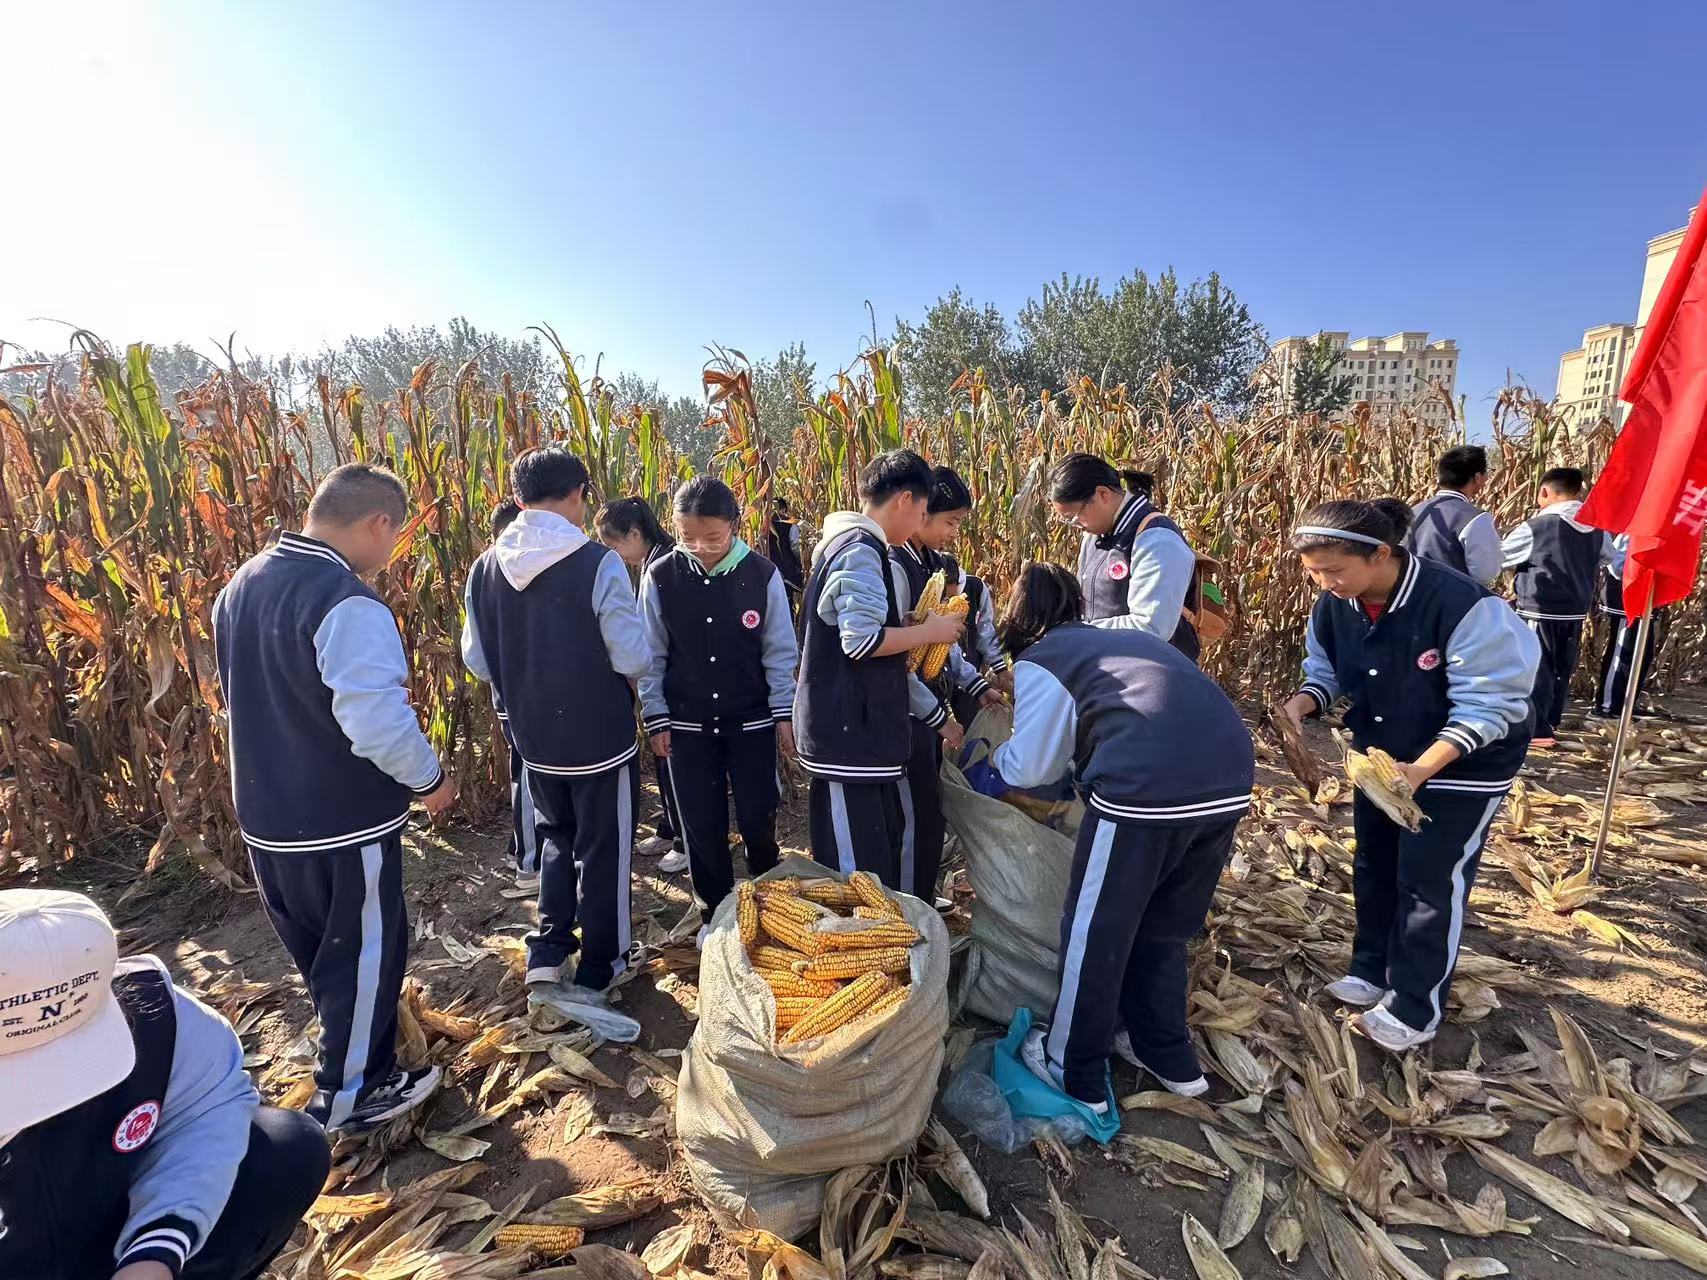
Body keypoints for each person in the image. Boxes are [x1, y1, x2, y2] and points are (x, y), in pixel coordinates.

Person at [213, 462, 452, 1133]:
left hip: (267, 817)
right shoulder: (346, 601)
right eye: (395, 535)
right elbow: (375, 719)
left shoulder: (242, 582)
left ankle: (351, 1056)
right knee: (365, 952)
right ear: (378, 523)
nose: (392, 550)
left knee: (324, 954)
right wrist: (429, 779)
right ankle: (352, 1092)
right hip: (340, 822)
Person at [961, 563, 1253, 1108]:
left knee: (1095, 930)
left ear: (1019, 622)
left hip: (1147, 787)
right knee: (1164, 925)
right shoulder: (1116, 640)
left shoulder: (1044, 660)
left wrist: (988, 767)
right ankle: (1165, 1051)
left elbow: (1030, 767)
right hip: (1230, 777)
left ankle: (1073, 1068)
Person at [1280, 499, 1538, 1053]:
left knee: (1429, 878)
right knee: (1375, 859)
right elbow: (1325, 672)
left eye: (1335, 570)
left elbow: (1490, 705)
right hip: (1384, 755)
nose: (1325, 583)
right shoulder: (1334, 607)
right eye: (1315, 574)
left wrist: (1421, 769)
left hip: (1462, 762)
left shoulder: (1462, 605)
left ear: (1381, 553)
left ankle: (1415, 1004)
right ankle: (1371, 967)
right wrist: (1303, 704)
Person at [0, 890, 331, 1280]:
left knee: (285, 1148)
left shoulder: (166, 1019)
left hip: (107, 1223)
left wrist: (155, 1250)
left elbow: (207, 1111)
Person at [462, 448, 651, 1041]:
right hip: (598, 736)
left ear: (519, 499)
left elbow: (476, 660)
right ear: (576, 495)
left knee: (553, 838)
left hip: (534, 736)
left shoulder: (484, 568)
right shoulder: (597, 562)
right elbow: (633, 655)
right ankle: (605, 961)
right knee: (605, 845)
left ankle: (547, 951)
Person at [795, 449, 965, 887]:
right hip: (846, 735)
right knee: (859, 878)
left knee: (874, 862)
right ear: (905, 500)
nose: (919, 525)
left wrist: (907, 625)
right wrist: (932, 632)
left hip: (859, 736)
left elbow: (856, 628)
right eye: (924, 512)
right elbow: (861, 643)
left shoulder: (853, 546)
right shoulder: (862, 551)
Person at [639, 478, 797, 932]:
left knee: (757, 816)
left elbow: (779, 651)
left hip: (750, 722)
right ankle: (716, 914)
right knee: (701, 825)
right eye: (688, 538)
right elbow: (652, 654)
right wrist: (656, 715)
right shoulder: (661, 576)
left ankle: (767, 905)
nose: (701, 548)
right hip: (686, 724)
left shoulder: (762, 576)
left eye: (713, 537)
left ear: (735, 524)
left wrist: (783, 714)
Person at [596, 496, 688, 875]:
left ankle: (684, 840)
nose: (612, 554)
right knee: (662, 758)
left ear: (635, 533)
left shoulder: (667, 566)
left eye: (614, 544)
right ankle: (669, 827)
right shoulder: (650, 563)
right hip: (656, 680)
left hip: (674, 682)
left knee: (672, 759)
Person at [1048, 453, 1202, 663]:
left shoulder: (1157, 539)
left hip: (1157, 674)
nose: (1076, 525)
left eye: (1073, 517)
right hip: (1113, 669)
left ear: (1103, 494)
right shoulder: (1094, 537)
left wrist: (1079, 633)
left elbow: (1151, 627)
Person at [1500, 467, 1611, 748]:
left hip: (1539, 607)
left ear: (1544, 492)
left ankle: (1535, 730)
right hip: (1575, 609)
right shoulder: (1596, 527)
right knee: (1562, 667)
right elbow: (1608, 557)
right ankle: (1550, 722)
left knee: (1537, 668)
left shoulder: (1537, 527)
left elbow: (1500, 557)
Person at [488, 498, 540, 893]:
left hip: (511, 695)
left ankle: (525, 852)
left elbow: (475, 654)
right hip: (526, 698)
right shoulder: (501, 568)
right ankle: (528, 862)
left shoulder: (484, 571)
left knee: (527, 773)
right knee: (526, 774)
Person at [1405, 445, 1502, 586]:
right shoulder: (1476, 518)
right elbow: (1485, 573)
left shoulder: (1413, 511)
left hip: (1412, 597)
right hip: (1452, 600)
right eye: (1487, 472)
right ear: (1477, 477)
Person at [1593, 534, 1664, 719]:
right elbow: (1617, 565)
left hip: (1645, 601)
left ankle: (1626, 704)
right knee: (1623, 652)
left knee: (1643, 654)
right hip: (1627, 599)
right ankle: (1607, 706)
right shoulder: (1637, 531)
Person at [939, 553, 1012, 728]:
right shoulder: (929, 590)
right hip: (940, 675)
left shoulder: (976, 587)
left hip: (970, 672)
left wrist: (999, 667)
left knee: (972, 725)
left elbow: (985, 631)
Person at [766, 496, 806, 616]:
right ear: (783, 509)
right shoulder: (791, 524)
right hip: (785, 572)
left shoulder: (761, 524)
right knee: (786, 605)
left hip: (765, 572)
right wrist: (800, 565)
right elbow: (795, 547)